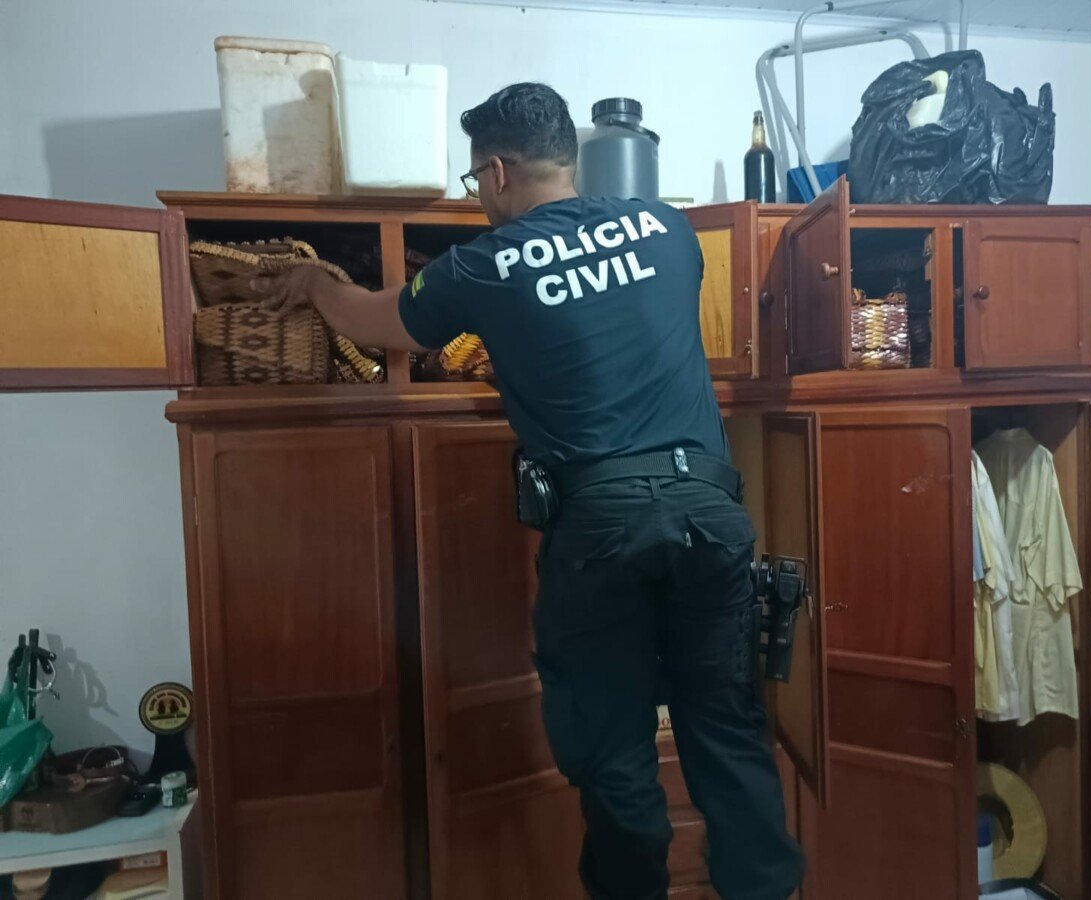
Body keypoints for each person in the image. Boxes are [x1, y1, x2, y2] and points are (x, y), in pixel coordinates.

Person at [257, 82, 803, 900]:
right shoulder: (668, 229)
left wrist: (313, 284)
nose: (480, 197)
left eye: (476, 182)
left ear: (499, 172)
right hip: (710, 514)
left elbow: (376, 321)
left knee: (614, 752)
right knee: (727, 732)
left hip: (603, 529)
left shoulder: (482, 266)